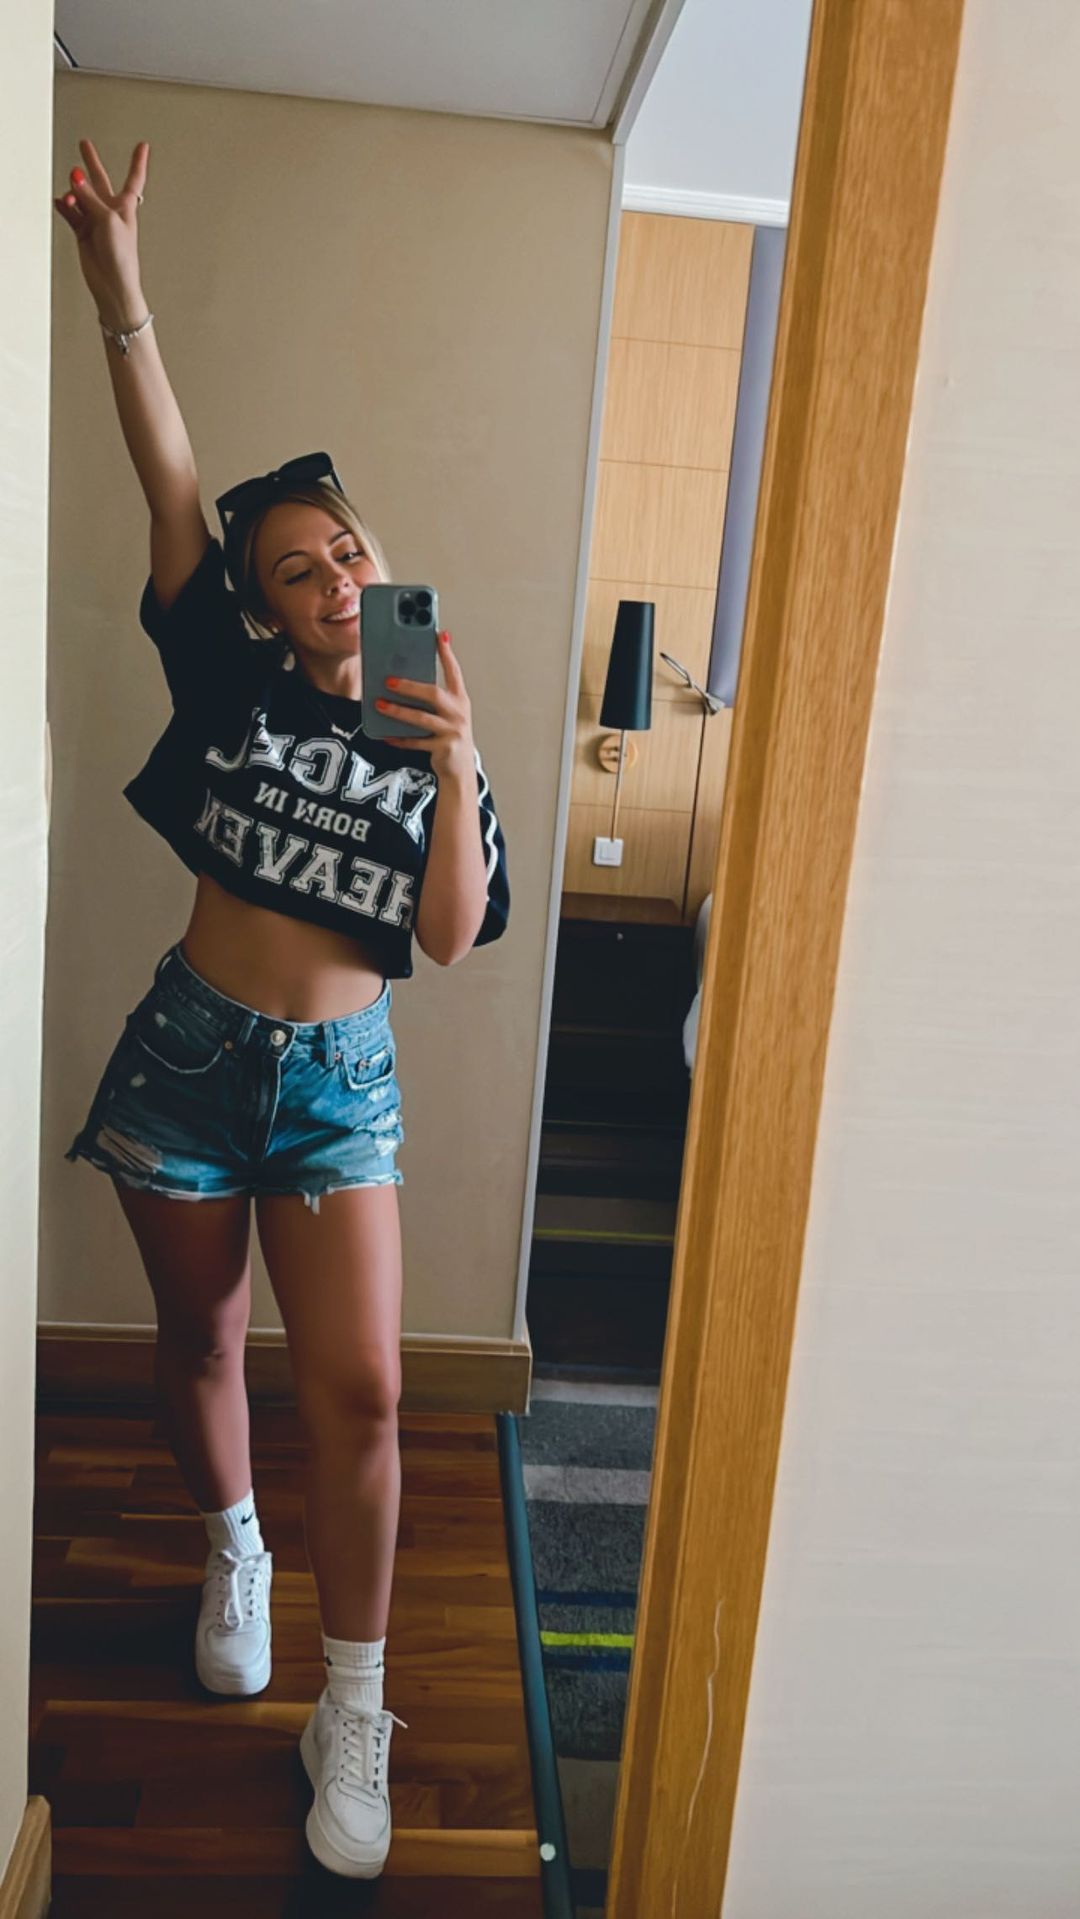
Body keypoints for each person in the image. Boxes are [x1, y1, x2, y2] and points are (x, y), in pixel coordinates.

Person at [53, 136, 509, 1881]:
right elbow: (172, 479)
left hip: (337, 1082)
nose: (332, 578)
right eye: (299, 566)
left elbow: (450, 939)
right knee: (197, 1341)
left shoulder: (429, 721)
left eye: (348, 554)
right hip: (188, 1052)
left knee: (368, 1398)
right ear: (258, 601)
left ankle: (354, 1702)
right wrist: (122, 294)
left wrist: (456, 764)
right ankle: (232, 1545)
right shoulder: (226, 674)